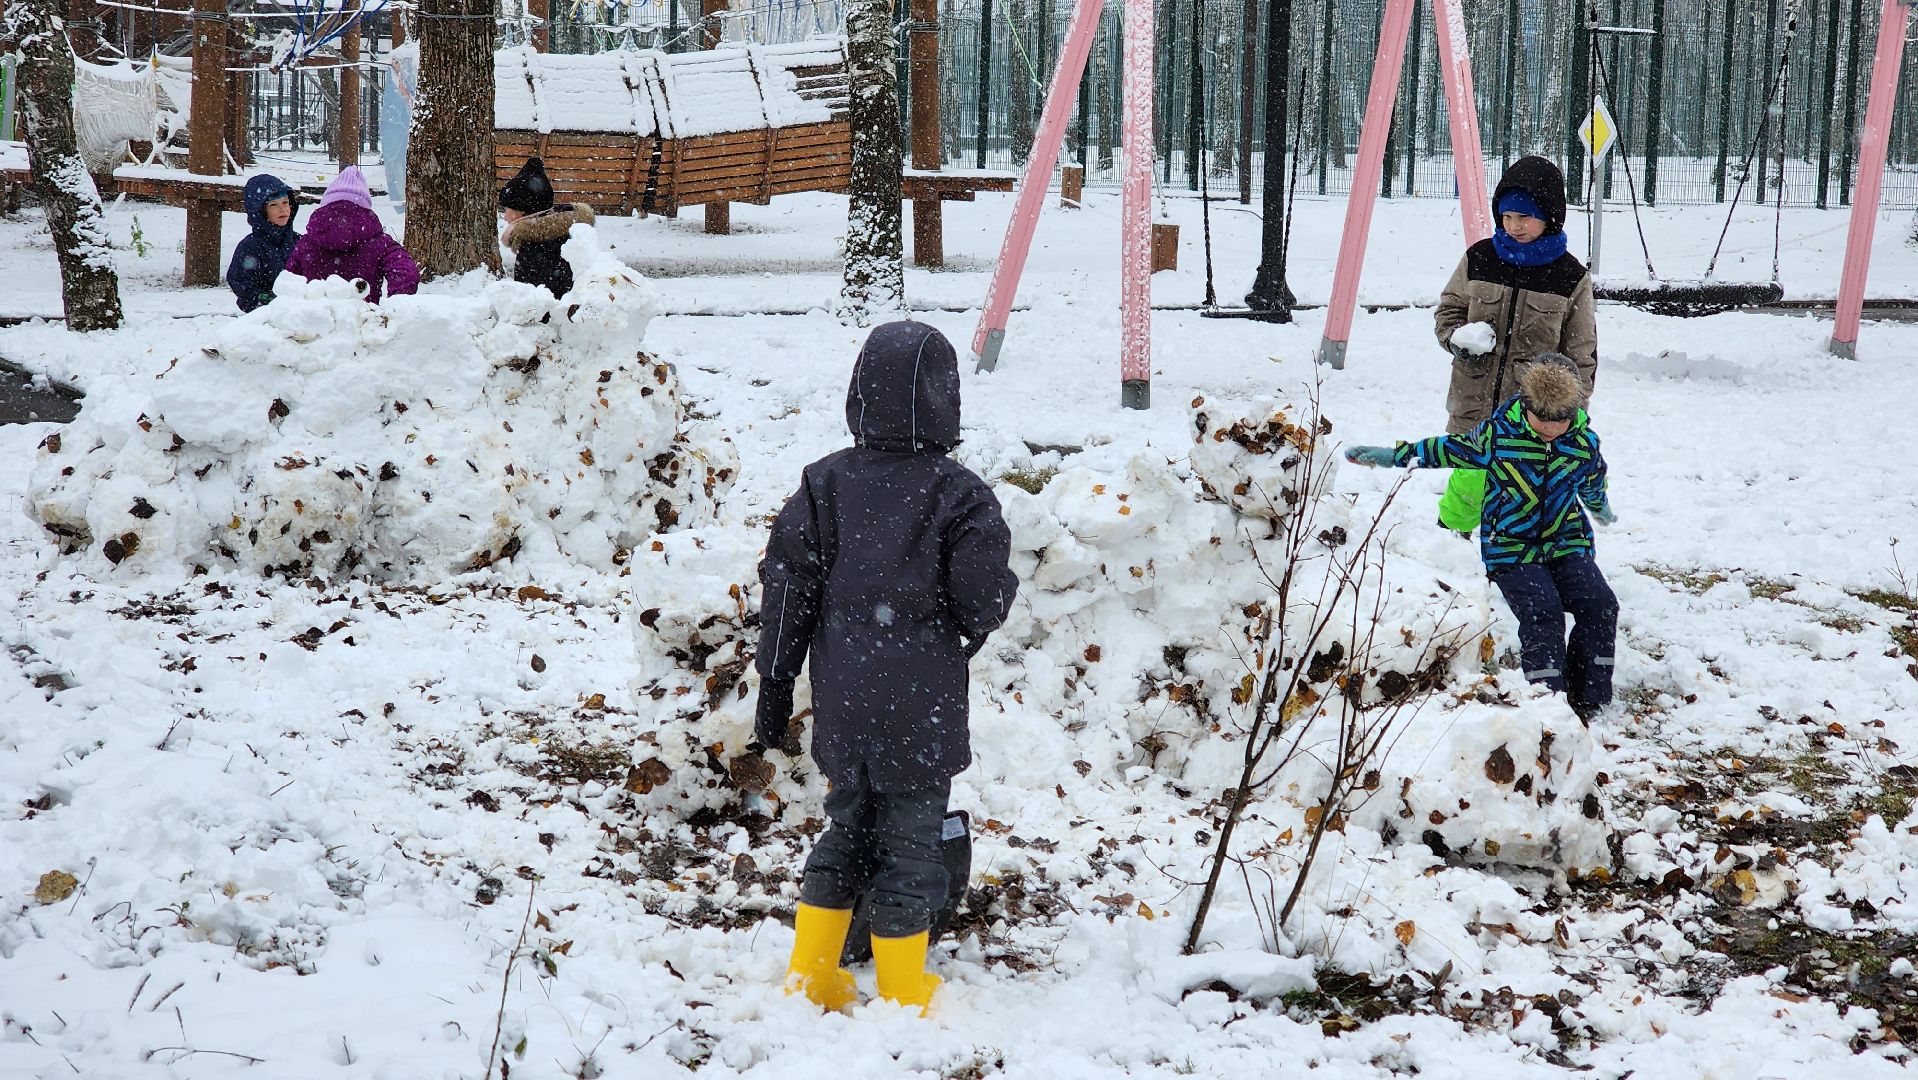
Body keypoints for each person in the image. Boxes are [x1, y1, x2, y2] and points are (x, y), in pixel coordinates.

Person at [753, 321, 1018, 1015]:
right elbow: (982, 602)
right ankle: (905, 987)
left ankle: (812, 974)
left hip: (845, 697)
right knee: (910, 843)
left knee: (843, 829)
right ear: (946, 399)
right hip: (920, 705)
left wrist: (775, 687)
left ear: (858, 391)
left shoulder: (823, 485)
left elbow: (787, 593)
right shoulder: (960, 495)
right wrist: (986, 609)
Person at [1343, 353, 1618, 720]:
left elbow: (1592, 479)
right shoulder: (1499, 434)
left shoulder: (1583, 442)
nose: (1552, 429)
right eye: (1543, 421)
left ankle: (1589, 698)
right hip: (1510, 546)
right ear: (1528, 406)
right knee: (1543, 612)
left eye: (1561, 421)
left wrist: (1599, 507)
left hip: (1566, 542)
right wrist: (1396, 455)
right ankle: (1548, 701)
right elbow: (1447, 449)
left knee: (1600, 605)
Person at [1432, 155, 1598, 535]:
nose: (1514, 226)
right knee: (1469, 483)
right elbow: (1449, 311)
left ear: (1550, 216)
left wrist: (1572, 413)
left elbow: (1581, 353)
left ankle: (1513, 555)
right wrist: (1456, 338)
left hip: (1532, 412)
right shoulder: (1479, 259)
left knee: (1522, 494)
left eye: (1525, 217)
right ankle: (1447, 544)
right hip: (1472, 401)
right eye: (1507, 216)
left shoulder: (1570, 277)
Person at [283, 165, 420, 303]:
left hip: (314, 319)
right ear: (364, 206)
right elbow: (406, 273)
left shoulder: (306, 242)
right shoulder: (380, 243)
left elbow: (288, 283)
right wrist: (394, 309)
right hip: (362, 319)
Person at [498, 157, 594, 299]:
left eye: (508, 209)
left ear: (525, 210)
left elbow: (533, 304)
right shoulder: (564, 234)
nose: (504, 216)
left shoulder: (534, 246)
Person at [225, 174, 301, 313]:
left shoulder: (299, 242)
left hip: (300, 312)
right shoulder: (251, 246)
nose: (282, 209)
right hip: (264, 315)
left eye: (285, 203)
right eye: (274, 205)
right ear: (261, 211)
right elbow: (240, 280)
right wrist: (262, 298)